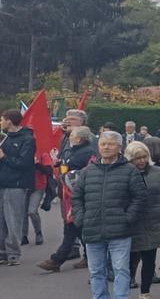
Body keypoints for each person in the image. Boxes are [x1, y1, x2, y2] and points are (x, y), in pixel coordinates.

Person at [75, 131, 148, 299]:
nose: (106, 147)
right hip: (92, 228)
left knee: (120, 269)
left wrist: (127, 218)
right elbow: (77, 197)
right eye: (103, 144)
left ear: (119, 147)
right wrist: (81, 218)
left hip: (120, 230)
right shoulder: (88, 171)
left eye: (110, 144)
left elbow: (140, 197)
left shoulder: (129, 171)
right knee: (96, 271)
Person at [39, 124, 96, 271]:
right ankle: (89, 257)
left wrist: (66, 165)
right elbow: (67, 163)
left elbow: (77, 168)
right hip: (68, 191)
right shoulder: (73, 150)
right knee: (76, 227)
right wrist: (60, 163)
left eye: (73, 136)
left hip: (76, 192)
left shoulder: (86, 152)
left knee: (72, 226)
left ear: (80, 139)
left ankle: (57, 259)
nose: (70, 138)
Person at [124, 141, 160, 299]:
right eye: (137, 158)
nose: (142, 161)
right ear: (130, 159)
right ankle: (123, 296)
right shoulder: (124, 173)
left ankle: (145, 294)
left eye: (144, 157)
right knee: (129, 260)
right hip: (132, 222)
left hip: (154, 220)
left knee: (149, 259)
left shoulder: (157, 172)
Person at [0, 108, 36, 265]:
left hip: (16, 185)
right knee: (1, 220)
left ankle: (13, 253)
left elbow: (24, 163)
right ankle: (2, 252)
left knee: (12, 219)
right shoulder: (5, 138)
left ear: (9, 121)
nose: (1, 123)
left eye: (2, 120)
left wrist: (4, 157)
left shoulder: (27, 139)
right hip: (2, 183)